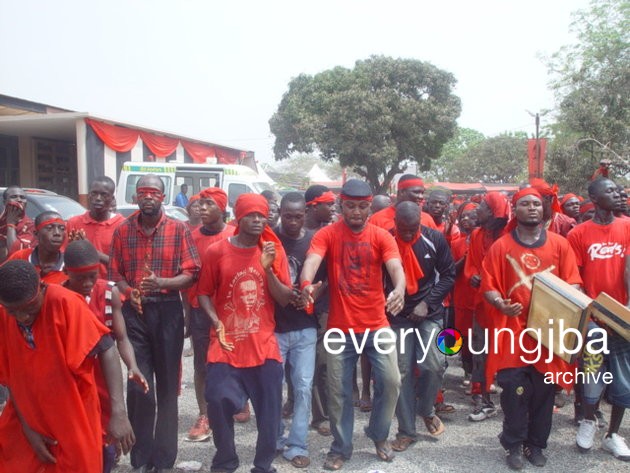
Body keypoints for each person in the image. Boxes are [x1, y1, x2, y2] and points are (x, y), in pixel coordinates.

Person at [300, 179, 406, 471]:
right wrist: (306, 283)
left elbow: (396, 267)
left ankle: (379, 435)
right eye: (350, 206)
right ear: (341, 206)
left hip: (376, 325)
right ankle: (341, 446)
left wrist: (400, 288)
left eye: (362, 206)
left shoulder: (382, 236)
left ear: (370, 207)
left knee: (391, 381)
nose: (356, 212)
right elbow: (312, 259)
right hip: (340, 328)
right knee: (338, 391)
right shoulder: (328, 234)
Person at [480, 187, 582, 470]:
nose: (532, 208)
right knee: (513, 389)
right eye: (525, 204)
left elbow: (573, 281)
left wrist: (564, 300)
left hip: (548, 331)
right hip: (512, 332)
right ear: (516, 209)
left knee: (543, 390)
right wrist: (501, 304)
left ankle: (535, 444)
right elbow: (489, 286)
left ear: (544, 209)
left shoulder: (560, 244)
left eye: (537, 204)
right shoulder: (501, 246)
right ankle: (513, 443)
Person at [0, 260, 134, 472]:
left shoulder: (66, 303)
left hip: (72, 419)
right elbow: (11, 376)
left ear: (41, 287)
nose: (22, 317)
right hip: (27, 423)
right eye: (13, 311)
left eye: (29, 307)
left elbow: (107, 349)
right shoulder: (4, 316)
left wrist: (118, 413)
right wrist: (28, 428)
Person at [109, 174, 201, 473]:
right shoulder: (123, 231)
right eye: (142, 192)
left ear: (163, 197)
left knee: (166, 387)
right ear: (136, 197)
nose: (148, 196)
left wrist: (163, 282)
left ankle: (163, 461)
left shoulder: (178, 230)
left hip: (167, 311)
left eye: (154, 192)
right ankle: (140, 458)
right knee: (139, 387)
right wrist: (128, 291)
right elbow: (116, 273)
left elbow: (191, 272)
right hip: (134, 312)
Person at [197, 193, 293, 473]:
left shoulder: (272, 250)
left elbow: (285, 298)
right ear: (238, 217)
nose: (257, 220)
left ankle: (263, 465)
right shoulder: (217, 251)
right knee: (216, 399)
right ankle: (225, 460)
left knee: (269, 415)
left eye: (262, 215)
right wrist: (216, 323)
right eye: (250, 215)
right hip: (225, 345)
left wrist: (268, 270)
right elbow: (203, 293)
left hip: (263, 346)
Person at [64, 239, 149, 473]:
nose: (88, 283)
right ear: (67, 272)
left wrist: (133, 366)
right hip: (72, 379)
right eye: (81, 278)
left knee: (106, 437)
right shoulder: (58, 295)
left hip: (104, 376)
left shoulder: (108, 292)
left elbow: (121, 338)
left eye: (93, 276)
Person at [567, 178, 630, 461]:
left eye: (618, 190)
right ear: (592, 196)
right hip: (592, 317)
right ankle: (589, 420)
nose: (617, 194)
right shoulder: (578, 234)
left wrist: (626, 308)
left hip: (622, 316)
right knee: (592, 373)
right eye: (610, 190)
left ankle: (613, 435)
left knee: (623, 379)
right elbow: (573, 278)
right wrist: (587, 310)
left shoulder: (627, 227)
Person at [387, 202, 455, 452]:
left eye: (412, 229)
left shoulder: (433, 238)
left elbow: (448, 274)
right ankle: (406, 430)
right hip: (397, 316)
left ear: (420, 223)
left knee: (434, 364)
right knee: (401, 372)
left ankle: (426, 409)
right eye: (403, 229)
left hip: (429, 311)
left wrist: (427, 303)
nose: (407, 234)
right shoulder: (386, 240)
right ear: (395, 222)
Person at [273, 192, 321, 469]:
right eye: (287, 215)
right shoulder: (269, 239)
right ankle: (275, 438)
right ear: (280, 212)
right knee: (272, 387)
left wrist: (313, 290)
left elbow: (323, 278)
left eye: (298, 216)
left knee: (303, 387)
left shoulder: (314, 240)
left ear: (306, 213)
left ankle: (298, 444)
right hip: (274, 326)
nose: (292, 221)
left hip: (305, 326)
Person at [183, 187, 235, 442]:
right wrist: (186, 313)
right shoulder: (190, 237)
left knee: (233, 361)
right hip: (199, 310)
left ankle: (238, 401)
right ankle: (204, 415)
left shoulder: (236, 235)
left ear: (222, 209)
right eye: (200, 204)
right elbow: (186, 280)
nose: (201, 208)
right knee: (202, 365)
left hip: (231, 311)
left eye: (208, 204)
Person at [463, 192, 510, 421]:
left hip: (507, 306)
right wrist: (472, 276)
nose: (475, 211)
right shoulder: (476, 234)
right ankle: (483, 399)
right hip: (482, 305)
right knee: (480, 351)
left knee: (511, 353)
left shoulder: (510, 234)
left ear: (492, 212)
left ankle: (514, 401)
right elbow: (471, 265)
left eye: (480, 207)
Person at [66, 176, 126, 279]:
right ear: (89, 195)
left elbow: (124, 266)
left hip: (111, 287)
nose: (98, 198)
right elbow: (65, 258)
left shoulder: (123, 225)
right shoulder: (74, 223)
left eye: (104, 195)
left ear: (112, 199)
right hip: (80, 286)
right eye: (94, 193)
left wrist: (89, 249)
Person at [450, 202, 479, 385]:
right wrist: (465, 259)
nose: (466, 219)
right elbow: (450, 269)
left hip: (483, 296)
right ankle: (468, 372)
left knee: (483, 337)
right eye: (463, 217)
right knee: (464, 337)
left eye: (471, 216)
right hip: (462, 295)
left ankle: (484, 375)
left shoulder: (489, 242)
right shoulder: (456, 243)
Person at [8, 210, 68, 285]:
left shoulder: (69, 266)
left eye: (62, 229)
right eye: (50, 228)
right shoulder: (21, 257)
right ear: (36, 234)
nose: (57, 233)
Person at [369, 174, 437, 231]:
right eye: (416, 192)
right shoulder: (377, 219)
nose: (421, 197)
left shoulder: (427, 219)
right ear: (401, 192)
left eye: (422, 193)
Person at [0, 185, 35, 263]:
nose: (19, 200)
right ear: (4, 202)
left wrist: (11, 224)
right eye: (14, 196)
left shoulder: (31, 226)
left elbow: (15, 252)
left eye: (22, 197)